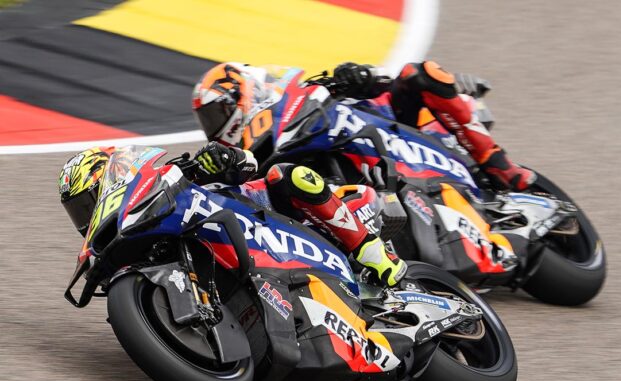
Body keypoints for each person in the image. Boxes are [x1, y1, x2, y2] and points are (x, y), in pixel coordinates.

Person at [58, 143, 407, 287]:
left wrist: (220, 158)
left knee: (287, 175)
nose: (87, 216)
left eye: (89, 202)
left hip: (273, 217)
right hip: (250, 269)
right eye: (80, 211)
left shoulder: (172, 180)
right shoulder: (132, 244)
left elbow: (249, 163)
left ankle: (374, 254)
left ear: (116, 173)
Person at [331, 61, 536, 191]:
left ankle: (498, 165)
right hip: (351, 166)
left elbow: (381, 79)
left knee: (418, 73)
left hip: (389, 130)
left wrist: (361, 75)